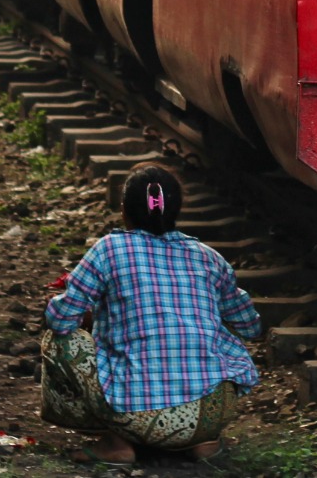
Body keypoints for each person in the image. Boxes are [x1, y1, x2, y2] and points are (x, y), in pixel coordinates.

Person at [41, 166, 262, 463]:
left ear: (124, 211)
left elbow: (61, 319)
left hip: (135, 414)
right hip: (210, 414)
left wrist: (90, 317)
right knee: (224, 326)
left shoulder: (109, 249)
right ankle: (204, 442)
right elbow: (250, 326)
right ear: (176, 211)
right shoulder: (209, 257)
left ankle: (117, 443)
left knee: (61, 339)